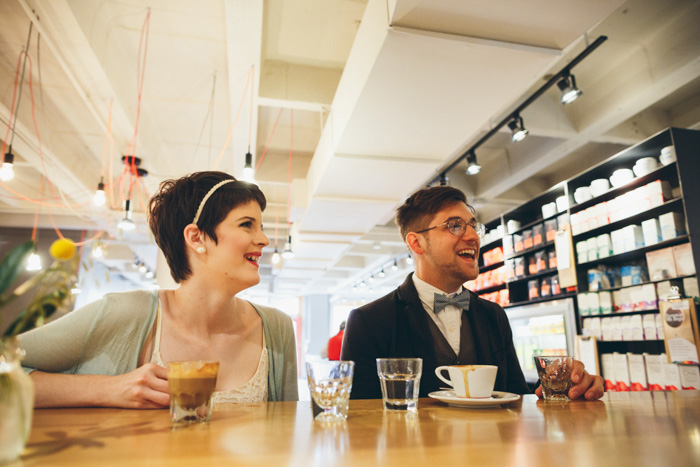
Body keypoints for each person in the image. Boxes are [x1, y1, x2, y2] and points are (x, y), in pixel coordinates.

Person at [19, 171, 298, 408]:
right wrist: (108, 389)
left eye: (260, 226)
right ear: (196, 236)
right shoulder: (126, 313)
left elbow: (286, 435)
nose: (263, 239)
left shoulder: (276, 329)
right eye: (247, 224)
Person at [341, 185, 604, 401]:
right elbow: (357, 419)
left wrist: (570, 391)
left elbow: (517, 398)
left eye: (472, 226)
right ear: (416, 242)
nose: (472, 236)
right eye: (454, 225)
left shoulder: (493, 315)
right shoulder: (370, 321)